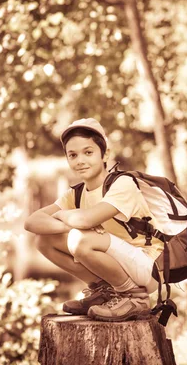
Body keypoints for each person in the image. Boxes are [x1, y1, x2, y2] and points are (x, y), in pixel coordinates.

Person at [24, 118, 163, 322]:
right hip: (121, 263)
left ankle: (134, 298)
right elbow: (32, 222)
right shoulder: (77, 194)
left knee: (80, 239)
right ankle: (105, 291)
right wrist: (71, 222)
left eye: (88, 152)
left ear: (105, 154)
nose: (80, 160)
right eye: (73, 155)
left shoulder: (122, 184)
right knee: (44, 241)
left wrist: (68, 217)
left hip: (148, 267)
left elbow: (86, 220)